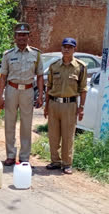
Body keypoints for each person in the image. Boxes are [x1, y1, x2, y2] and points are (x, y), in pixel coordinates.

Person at [0, 23, 44, 166]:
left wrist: (41, 95)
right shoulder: (8, 54)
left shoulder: (35, 54)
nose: (22, 37)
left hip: (28, 91)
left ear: (28, 37)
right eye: (19, 34)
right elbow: (3, 77)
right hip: (12, 90)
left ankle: (24, 157)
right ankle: (10, 155)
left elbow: (40, 76)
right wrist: (1, 96)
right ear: (15, 37)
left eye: (25, 34)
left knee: (26, 124)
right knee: (9, 124)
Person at [44, 38, 87, 174]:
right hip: (54, 104)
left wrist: (81, 108)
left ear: (74, 49)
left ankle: (67, 163)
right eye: (64, 46)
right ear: (61, 48)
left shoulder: (80, 67)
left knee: (68, 135)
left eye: (70, 47)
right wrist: (46, 106)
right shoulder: (54, 66)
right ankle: (55, 161)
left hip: (70, 105)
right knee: (53, 135)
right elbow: (49, 86)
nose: (66, 49)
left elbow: (83, 89)